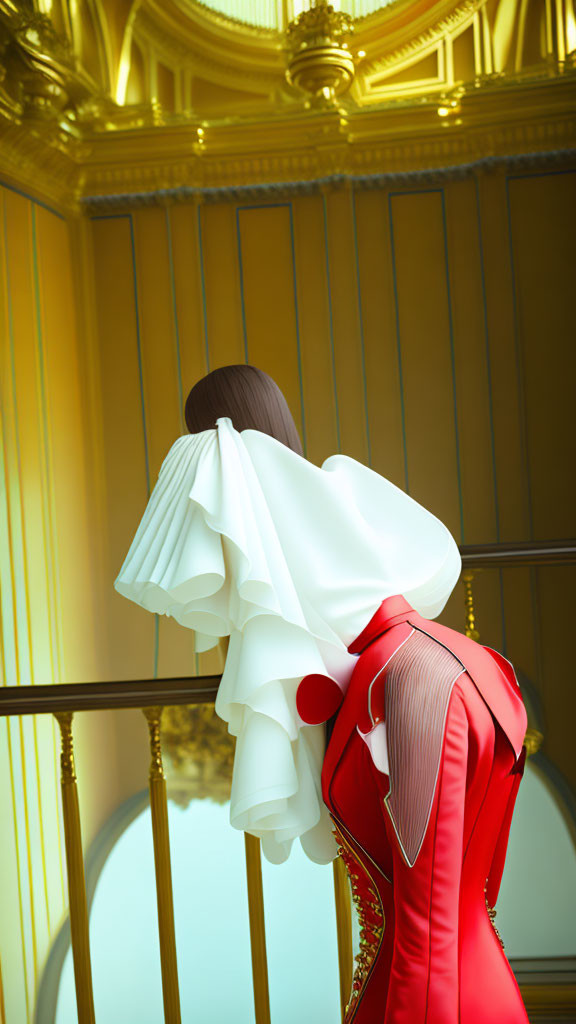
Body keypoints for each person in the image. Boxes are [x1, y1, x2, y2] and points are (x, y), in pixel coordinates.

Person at [115, 364, 529, 1023]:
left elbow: (426, 935)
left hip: (427, 1001)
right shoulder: (444, 665)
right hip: (450, 992)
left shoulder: (417, 680)